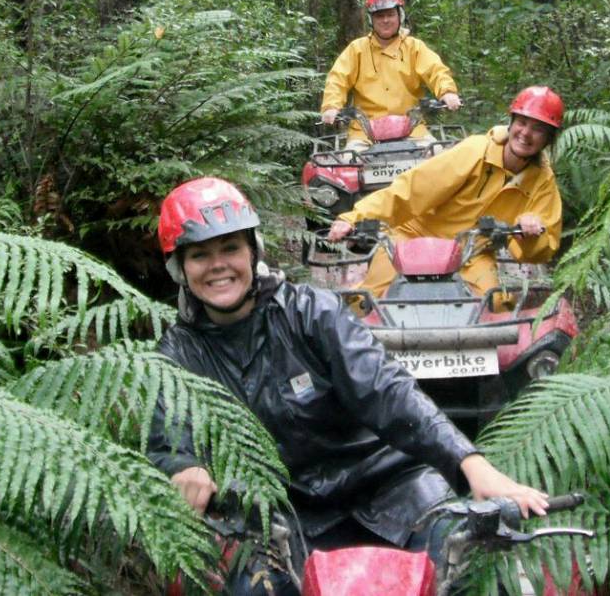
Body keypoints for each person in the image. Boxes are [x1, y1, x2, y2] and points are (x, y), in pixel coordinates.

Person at [147, 176, 548, 594]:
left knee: (477, 570)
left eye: (230, 248)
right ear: (180, 267)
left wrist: (471, 464)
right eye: (200, 254)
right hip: (281, 515)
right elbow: (166, 433)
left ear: (253, 251)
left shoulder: (311, 313)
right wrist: (182, 464)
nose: (218, 265)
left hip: (393, 486)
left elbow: (388, 391)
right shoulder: (178, 353)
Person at [326, 86, 565, 302]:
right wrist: (354, 217)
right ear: (511, 123)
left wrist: (531, 234)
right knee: (369, 301)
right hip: (415, 237)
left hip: (473, 253)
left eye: (538, 129)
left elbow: (544, 247)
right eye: (522, 122)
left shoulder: (542, 182)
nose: (526, 133)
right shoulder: (475, 151)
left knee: (495, 308)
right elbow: (411, 190)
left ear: (548, 139)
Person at [320, 0, 462, 147]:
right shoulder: (357, 49)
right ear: (371, 19)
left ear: (399, 15)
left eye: (390, 14)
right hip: (365, 132)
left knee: (437, 160)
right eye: (379, 16)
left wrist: (448, 92)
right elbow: (338, 79)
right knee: (350, 165)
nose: (385, 20)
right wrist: (331, 106)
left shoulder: (414, 47)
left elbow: (435, 70)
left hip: (412, 128)